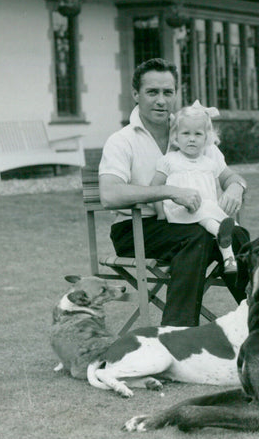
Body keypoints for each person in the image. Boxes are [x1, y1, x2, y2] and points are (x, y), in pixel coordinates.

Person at [99, 58, 249, 327]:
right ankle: (177, 335)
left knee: (236, 235)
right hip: (137, 229)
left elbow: (228, 175)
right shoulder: (122, 141)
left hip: (189, 225)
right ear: (136, 95)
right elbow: (109, 194)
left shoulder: (191, 129)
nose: (161, 100)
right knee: (199, 237)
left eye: (168, 92)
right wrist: (168, 191)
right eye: (152, 92)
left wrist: (237, 188)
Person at [150, 101, 238, 273]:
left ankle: (229, 258)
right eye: (186, 133)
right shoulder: (169, 160)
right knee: (209, 215)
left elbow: (217, 191)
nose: (192, 138)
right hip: (179, 210)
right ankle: (225, 245)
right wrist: (160, 213)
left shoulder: (210, 164)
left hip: (203, 210)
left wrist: (222, 204)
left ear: (207, 138)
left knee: (210, 213)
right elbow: (155, 187)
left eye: (198, 134)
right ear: (175, 136)